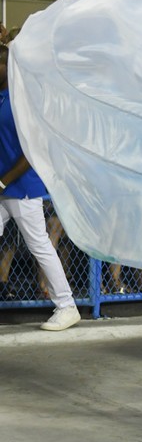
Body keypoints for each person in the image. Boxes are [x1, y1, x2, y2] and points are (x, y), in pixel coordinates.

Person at [0, 46, 80, 331]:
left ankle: (67, 306)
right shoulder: (2, 99)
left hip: (21, 187)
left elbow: (31, 151)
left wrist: (3, 181)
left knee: (40, 246)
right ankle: (66, 305)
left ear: (7, 67)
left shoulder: (22, 102)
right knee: (40, 245)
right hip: (4, 187)